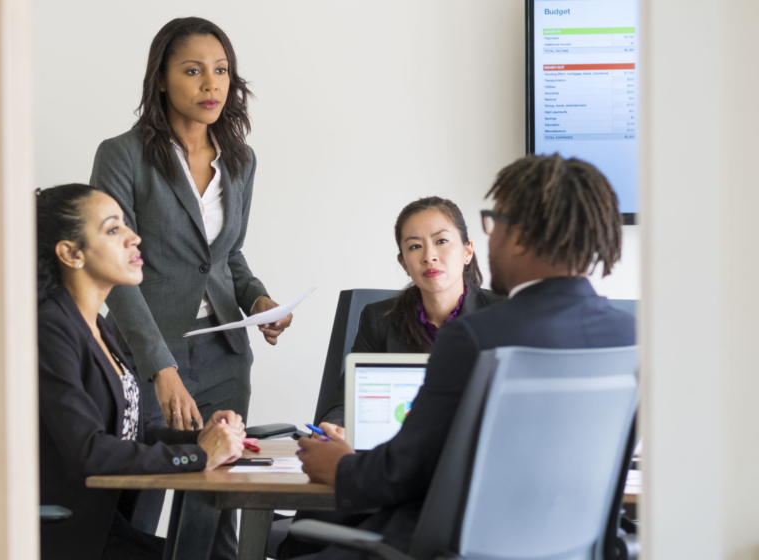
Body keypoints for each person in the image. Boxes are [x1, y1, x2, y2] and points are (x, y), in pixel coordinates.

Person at [293, 154, 636, 559]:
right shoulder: (630, 336)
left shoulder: (475, 336)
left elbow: (401, 473)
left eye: (494, 222)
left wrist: (340, 466)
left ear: (520, 234)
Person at [90, 18, 291, 548]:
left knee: (218, 503)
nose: (212, 84)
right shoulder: (122, 155)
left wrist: (259, 299)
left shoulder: (240, 160)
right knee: (139, 501)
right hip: (148, 353)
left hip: (225, 355)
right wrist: (161, 366)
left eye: (221, 70)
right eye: (194, 70)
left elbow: (226, 257)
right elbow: (112, 269)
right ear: (161, 79)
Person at [36, 184, 246, 560]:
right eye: (114, 229)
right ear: (70, 253)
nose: (135, 238)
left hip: (108, 527)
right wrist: (199, 458)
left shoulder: (95, 326)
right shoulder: (49, 329)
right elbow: (90, 450)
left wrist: (202, 438)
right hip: (72, 537)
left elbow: (127, 430)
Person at [315, 196, 502, 430]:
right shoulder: (379, 320)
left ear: (467, 251)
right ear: (404, 263)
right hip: (402, 455)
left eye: (441, 240)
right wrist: (331, 425)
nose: (429, 256)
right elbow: (346, 403)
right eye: (415, 246)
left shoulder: (504, 313)